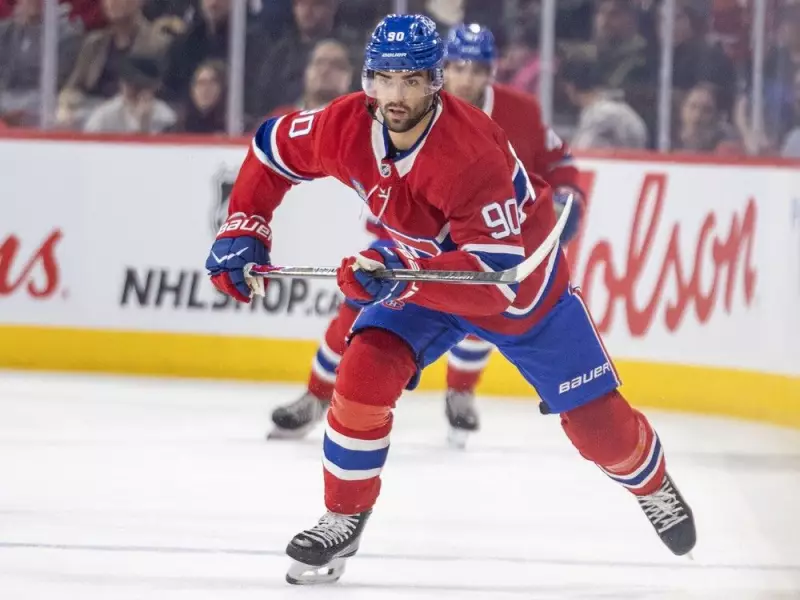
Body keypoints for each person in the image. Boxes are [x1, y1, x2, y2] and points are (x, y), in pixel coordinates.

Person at [205, 14, 696, 585]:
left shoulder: (468, 151)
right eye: (385, 79)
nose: (396, 95)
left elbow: (492, 282)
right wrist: (245, 223)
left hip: (520, 291)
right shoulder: (344, 124)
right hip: (424, 271)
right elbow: (272, 149)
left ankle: (650, 482)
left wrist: (398, 276)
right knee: (362, 371)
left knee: (601, 433)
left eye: (411, 81)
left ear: (434, 83)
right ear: (368, 79)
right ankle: (344, 516)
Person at [266, 22, 584, 447]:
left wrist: (569, 195)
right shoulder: (410, 103)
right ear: (440, 68)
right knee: (358, 304)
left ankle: (460, 391)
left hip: (483, 238)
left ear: (491, 72)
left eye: (477, 69)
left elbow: (558, 160)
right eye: (457, 67)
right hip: (407, 238)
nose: (466, 78)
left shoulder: (520, 112)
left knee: (484, 302)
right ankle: (316, 394)